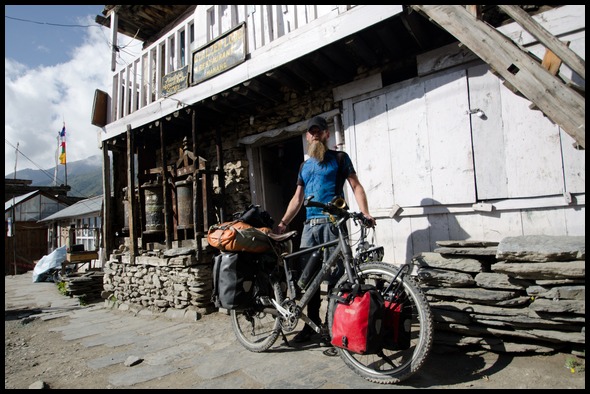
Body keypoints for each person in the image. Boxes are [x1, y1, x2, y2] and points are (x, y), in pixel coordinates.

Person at [277, 115, 376, 345]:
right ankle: (311, 325)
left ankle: (333, 327)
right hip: (309, 228)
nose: (314, 136)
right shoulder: (304, 166)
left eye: (317, 131)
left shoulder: (339, 158)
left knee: (336, 278)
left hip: (334, 226)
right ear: (307, 137)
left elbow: (356, 185)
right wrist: (283, 222)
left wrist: (365, 212)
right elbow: (297, 198)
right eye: (310, 133)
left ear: (326, 134)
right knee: (309, 279)